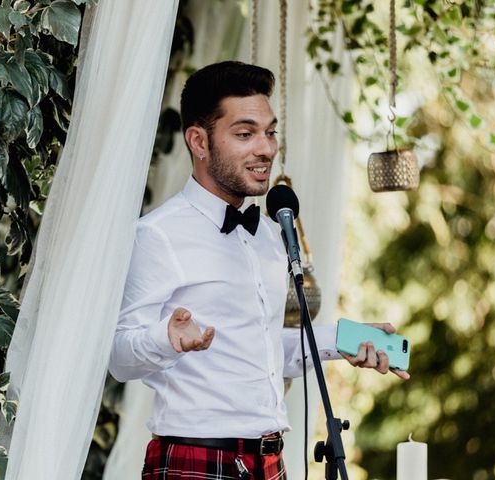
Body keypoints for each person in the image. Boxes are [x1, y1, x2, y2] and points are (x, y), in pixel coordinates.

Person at [108, 61, 409, 480]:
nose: (266, 148)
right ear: (199, 140)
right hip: (194, 462)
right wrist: (165, 338)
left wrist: (343, 339)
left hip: (269, 461)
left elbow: (265, 351)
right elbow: (120, 359)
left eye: (270, 132)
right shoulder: (158, 234)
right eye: (245, 134)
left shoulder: (268, 234)